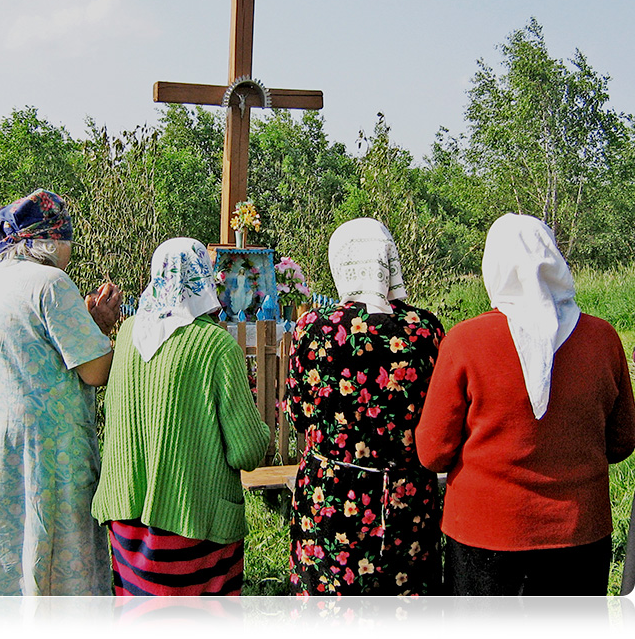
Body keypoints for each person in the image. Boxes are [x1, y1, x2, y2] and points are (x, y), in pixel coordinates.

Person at [416, 213, 635, 596]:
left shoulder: (466, 341)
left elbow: (433, 452)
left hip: (484, 535)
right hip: (579, 534)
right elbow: (622, 441)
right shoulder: (603, 339)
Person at [0, 189, 121, 595]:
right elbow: (95, 370)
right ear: (53, 243)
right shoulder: (49, 283)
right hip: (41, 455)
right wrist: (104, 325)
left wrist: (85, 325)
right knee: (51, 571)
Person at [91, 237, 271, 596]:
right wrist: (261, 430)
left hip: (126, 522)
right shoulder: (216, 346)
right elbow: (247, 451)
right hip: (195, 526)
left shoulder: (127, 335)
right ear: (203, 279)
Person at [285, 218, 444, 596]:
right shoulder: (425, 329)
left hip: (331, 499)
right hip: (407, 501)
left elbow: (298, 415)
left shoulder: (313, 330)